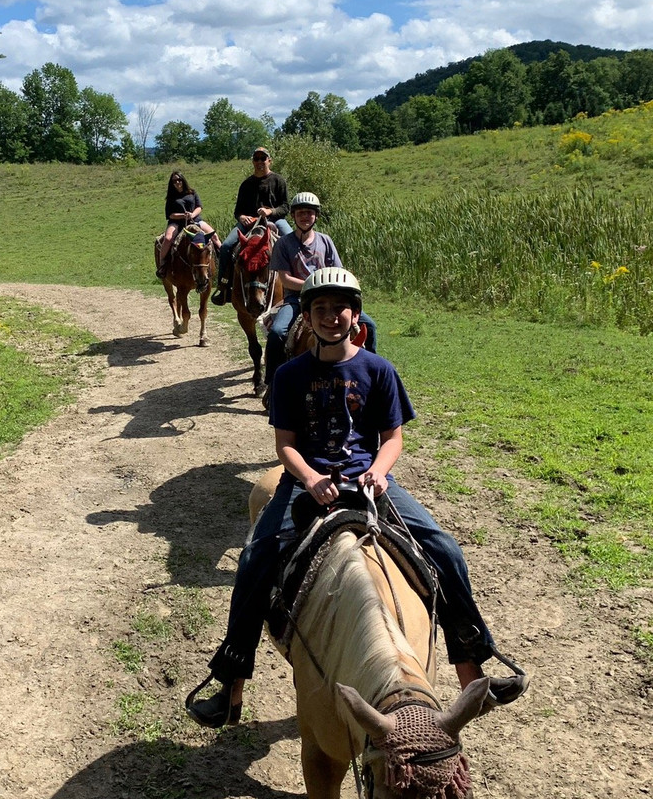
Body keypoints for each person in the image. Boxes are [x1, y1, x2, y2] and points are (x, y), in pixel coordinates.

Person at [186, 268, 529, 728]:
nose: (331, 317)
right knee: (255, 558)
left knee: (444, 548)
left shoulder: (378, 369)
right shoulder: (290, 375)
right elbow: (285, 444)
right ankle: (230, 684)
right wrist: (308, 477)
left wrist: (379, 472)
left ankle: (472, 671)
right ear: (306, 317)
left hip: (368, 481)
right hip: (306, 484)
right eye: (320, 309)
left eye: (339, 308)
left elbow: (393, 438)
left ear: (355, 314)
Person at [264, 191, 378, 397]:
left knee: (369, 325)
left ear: (315, 216)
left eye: (309, 213)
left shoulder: (326, 241)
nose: (304, 217)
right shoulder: (284, 244)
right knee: (277, 333)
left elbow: (337, 271)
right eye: (300, 213)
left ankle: (372, 372)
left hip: (329, 298)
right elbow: (286, 279)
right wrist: (311, 286)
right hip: (296, 299)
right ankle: (273, 383)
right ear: (293, 216)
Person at [211, 147, 293, 306]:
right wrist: (242, 217)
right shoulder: (246, 184)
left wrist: (270, 211)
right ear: (253, 162)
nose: (260, 162)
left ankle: (297, 286)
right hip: (248, 224)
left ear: (269, 160)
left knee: (292, 242)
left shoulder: (278, 180)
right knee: (227, 245)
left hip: (275, 220)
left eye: (263, 158)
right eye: (257, 159)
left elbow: (285, 207)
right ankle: (224, 286)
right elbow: (238, 211)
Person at [156, 172, 221, 278]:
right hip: (177, 222)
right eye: (174, 181)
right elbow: (170, 215)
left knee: (213, 235)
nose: (177, 182)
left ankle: (222, 257)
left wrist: (192, 214)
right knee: (168, 239)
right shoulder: (171, 197)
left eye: (179, 179)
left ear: (183, 180)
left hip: (195, 220)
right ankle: (162, 264)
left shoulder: (192, 193)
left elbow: (199, 207)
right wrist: (183, 215)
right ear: (171, 183)